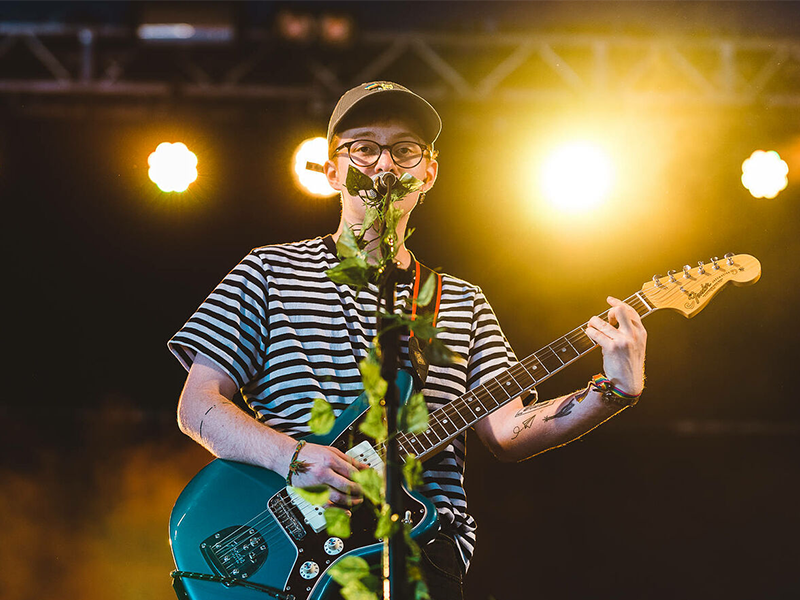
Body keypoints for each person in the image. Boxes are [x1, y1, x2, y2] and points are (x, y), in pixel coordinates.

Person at [169, 81, 647, 600]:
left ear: (428, 173)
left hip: (424, 552)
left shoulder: (461, 300)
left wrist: (613, 391)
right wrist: (294, 457)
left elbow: (507, 431)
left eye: (404, 150)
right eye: (364, 148)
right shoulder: (267, 271)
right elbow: (198, 406)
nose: (384, 164)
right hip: (295, 550)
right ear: (332, 170)